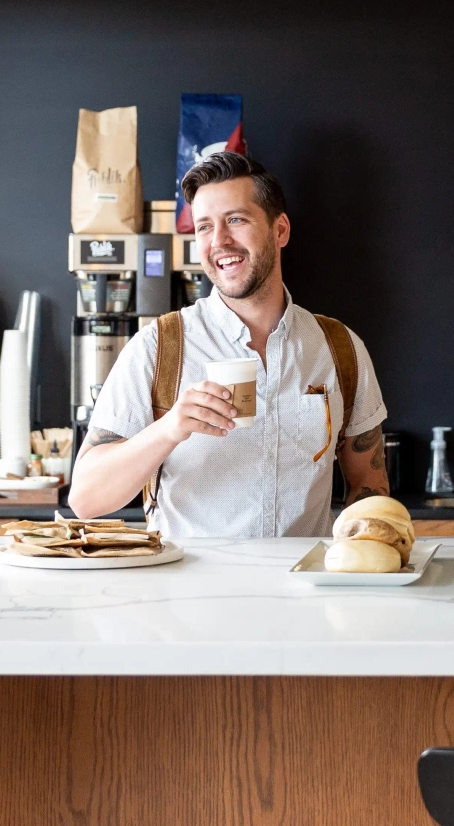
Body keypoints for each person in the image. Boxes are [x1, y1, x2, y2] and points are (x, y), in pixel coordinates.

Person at [69, 151, 389, 538]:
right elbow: (85, 499)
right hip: (189, 579)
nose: (219, 241)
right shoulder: (158, 348)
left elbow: (369, 486)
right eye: (204, 227)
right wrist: (170, 428)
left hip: (303, 577)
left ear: (280, 230)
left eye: (235, 220)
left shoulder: (339, 349)